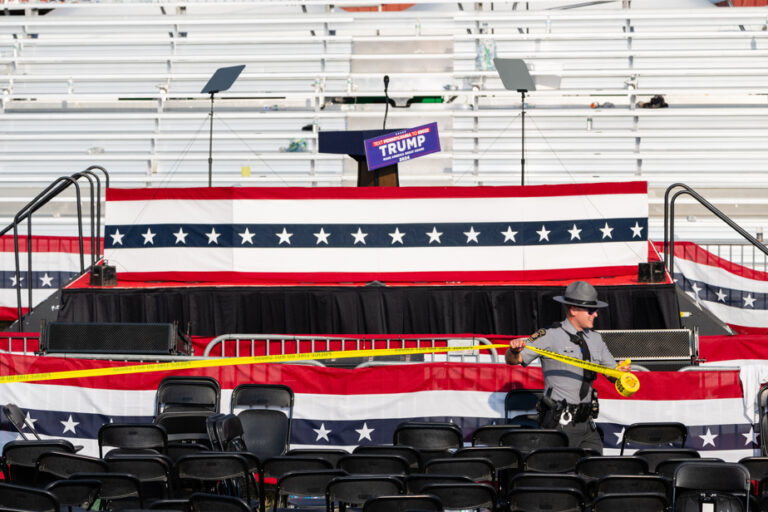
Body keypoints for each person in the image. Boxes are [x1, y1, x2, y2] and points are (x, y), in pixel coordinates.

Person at [505, 281, 630, 453]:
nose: (595, 315)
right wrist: (513, 350)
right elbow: (513, 360)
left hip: (587, 424)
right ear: (573, 310)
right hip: (560, 423)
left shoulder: (596, 339)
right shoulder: (549, 335)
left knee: (595, 471)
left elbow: (612, 373)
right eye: (591, 310)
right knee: (562, 475)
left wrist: (620, 373)